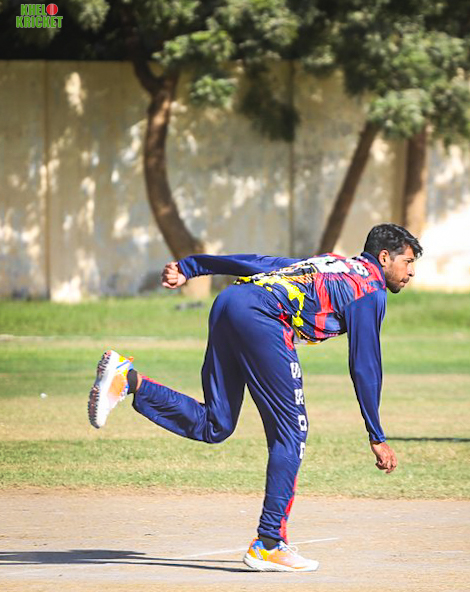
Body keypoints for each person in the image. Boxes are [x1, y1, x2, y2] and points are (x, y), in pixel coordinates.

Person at [87, 223, 422, 572]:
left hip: (229, 302)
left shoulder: (332, 263)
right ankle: (269, 543)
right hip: (261, 317)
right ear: (384, 257)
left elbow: (260, 262)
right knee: (291, 433)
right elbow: (365, 364)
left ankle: (129, 380)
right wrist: (376, 435)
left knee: (215, 424)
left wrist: (191, 267)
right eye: (408, 262)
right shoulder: (369, 290)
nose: (411, 272)